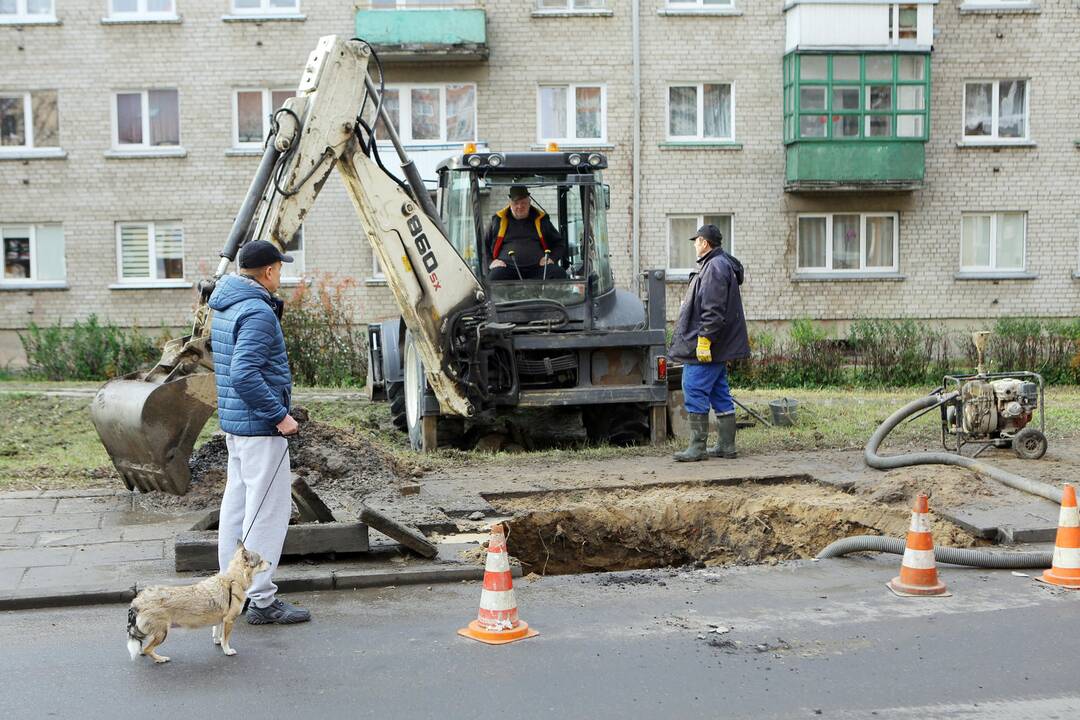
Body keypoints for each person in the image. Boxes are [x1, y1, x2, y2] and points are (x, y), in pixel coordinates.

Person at [208, 239, 311, 625]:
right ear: (268, 271)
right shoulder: (257, 312)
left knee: (236, 507)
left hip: (236, 425)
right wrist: (279, 416)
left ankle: (230, 591)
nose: (280, 274)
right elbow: (245, 373)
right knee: (267, 512)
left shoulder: (226, 303)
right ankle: (262, 600)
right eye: (279, 268)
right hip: (259, 426)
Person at [668, 224, 750, 462]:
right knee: (718, 391)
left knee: (693, 386)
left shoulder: (713, 267)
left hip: (708, 345)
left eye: (697, 241)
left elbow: (713, 310)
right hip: (719, 344)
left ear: (704, 242)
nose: (695, 244)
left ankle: (697, 447)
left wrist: (704, 340)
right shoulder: (719, 264)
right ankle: (726, 445)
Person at [484, 185, 568, 281]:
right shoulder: (498, 220)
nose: (520, 206)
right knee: (494, 278)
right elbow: (482, 245)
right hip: (507, 270)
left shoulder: (541, 220)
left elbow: (559, 243)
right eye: (516, 203)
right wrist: (491, 262)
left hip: (538, 269)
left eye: (523, 202)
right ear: (510, 203)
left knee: (558, 273)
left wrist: (551, 258)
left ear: (529, 202)